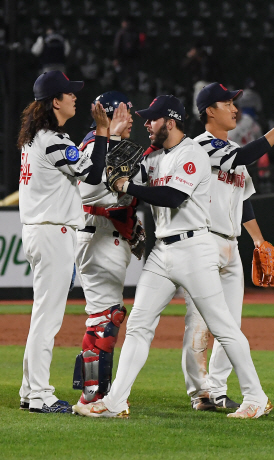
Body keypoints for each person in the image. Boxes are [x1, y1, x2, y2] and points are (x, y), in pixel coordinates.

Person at [72, 95, 274, 419]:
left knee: (223, 326)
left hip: (194, 250)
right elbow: (122, 190)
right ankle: (116, 401)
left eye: (152, 119)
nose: (146, 124)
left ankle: (256, 397)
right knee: (139, 326)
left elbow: (172, 196)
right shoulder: (153, 157)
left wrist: (127, 183)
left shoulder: (193, 154)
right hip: (162, 251)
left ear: (169, 122)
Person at [182, 83, 274, 411]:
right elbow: (247, 154)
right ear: (208, 111)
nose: (235, 108)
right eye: (226, 102)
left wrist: (259, 240)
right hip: (202, 242)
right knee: (200, 322)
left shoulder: (230, 150)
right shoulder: (200, 146)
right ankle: (200, 393)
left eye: (235, 102)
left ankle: (217, 389)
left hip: (231, 244)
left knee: (231, 325)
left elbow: (244, 202)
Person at [18, 71, 110, 413]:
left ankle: (30, 390)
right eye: (69, 94)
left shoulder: (35, 138)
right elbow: (94, 173)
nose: (75, 98)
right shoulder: (52, 139)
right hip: (52, 231)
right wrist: (102, 132)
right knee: (48, 319)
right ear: (55, 101)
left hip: (41, 230)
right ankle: (40, 394)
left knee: (42, 316)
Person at [72, 91, 136, 411]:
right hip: (95, 235)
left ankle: (98, 392)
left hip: (108, 238)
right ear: (109, 115)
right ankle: (90, 396)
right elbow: (90, 191)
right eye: (126, 111)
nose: (133, 118)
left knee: (108, 320)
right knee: (104, 322)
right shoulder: (93, 144)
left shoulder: (110, 145)